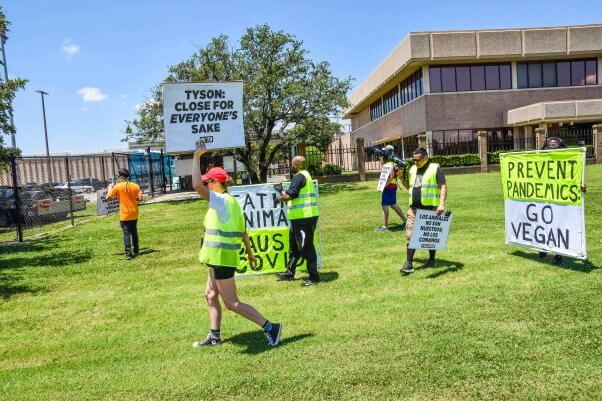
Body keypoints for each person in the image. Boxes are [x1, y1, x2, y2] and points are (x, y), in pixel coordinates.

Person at [192, 143, 282, 348]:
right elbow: (243, 232)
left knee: (232, 303)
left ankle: (270, 327)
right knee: (210, 294)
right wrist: (250, 255)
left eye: (208, 182)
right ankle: (214, 336)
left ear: (215, 182)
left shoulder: (221, 201)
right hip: (217, 258)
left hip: (222, 258)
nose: (205, 185)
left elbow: (196, 186)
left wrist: (196, 157)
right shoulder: (231, 202)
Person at [538, 137, 586, 265]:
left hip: (561, 197)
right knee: (544, 223)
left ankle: (559, 253)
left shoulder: (567, 159)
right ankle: (544, 247)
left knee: (559, 225)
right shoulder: (541, 158)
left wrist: (581, 186)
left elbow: (574, 175)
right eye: (550, 144)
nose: (552, 145)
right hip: (544, 195)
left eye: (555, 144)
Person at [400, 148, 447, 274]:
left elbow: (443, 185)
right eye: (413, 160)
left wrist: (441, 204)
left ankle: (431, 260)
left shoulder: (434, 168)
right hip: (414, 208)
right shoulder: (412, 169)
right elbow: (409, 186)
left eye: (418, 160)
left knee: (429, 237)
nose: (415, 162)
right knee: (410, 235)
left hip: (430, 208)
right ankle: (409, 263)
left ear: (426, 157)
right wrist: (400, 177)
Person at [275, 156, 320, 286]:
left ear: (296, 164)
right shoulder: (306, 176)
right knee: (294, 248)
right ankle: (289, 273)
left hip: (303, 219)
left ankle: (314, 277)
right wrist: (283, 192)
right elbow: (295, 194)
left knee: (306, 247)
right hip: (301, 218)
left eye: (292, 164)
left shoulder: (299, 177)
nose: (291, 166)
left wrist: (280, 197)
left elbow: (289, 196)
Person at [105, 168, 143, 260]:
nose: (118, 178)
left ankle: (128, 253)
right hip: (134, 213)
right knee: (134, 232)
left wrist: (110, 188)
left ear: (122, 177)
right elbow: (140, 199)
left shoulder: (117, 187)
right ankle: (136, 250)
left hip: (124, 214)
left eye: (118, 176)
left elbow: (108, 197)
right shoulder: (135, 186)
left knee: (126, 233)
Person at [375, 146, 407, 233]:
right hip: (391, 186)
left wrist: (384, 185)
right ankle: (406, 221)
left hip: (389, 186)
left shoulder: (389, 164)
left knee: (385, 205)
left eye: (383, 152)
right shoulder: (390, 162)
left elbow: (391, 176)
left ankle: (385, 226)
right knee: (393, 205)